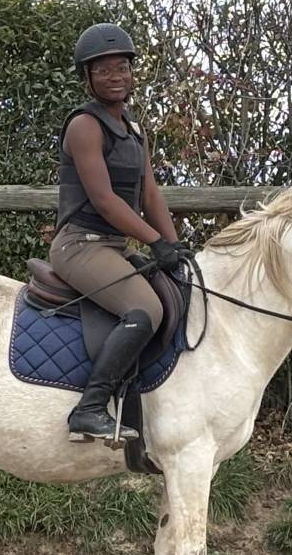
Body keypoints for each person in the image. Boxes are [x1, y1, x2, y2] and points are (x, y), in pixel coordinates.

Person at [50, 22, 190, 442]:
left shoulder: (133, 129)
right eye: (104, 70)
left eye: (122, 68)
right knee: (146, 309)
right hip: (80, 245)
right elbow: (104, 200)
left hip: (113, 247)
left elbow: (150, 193)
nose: (116, 77)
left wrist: (174, 245)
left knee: (180, 291)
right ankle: (89, 409)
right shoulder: (84, 126)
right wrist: (154, 242)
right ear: (88, 76)